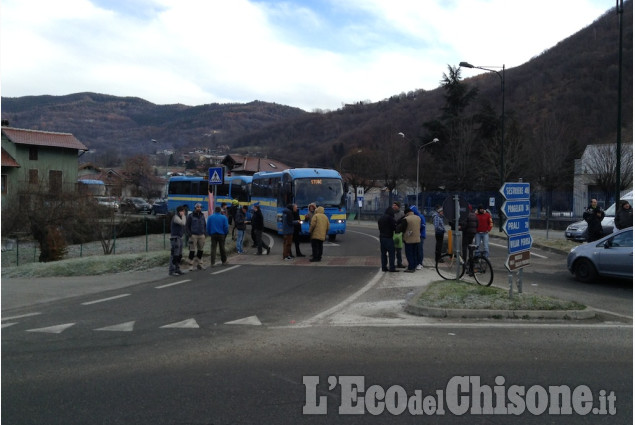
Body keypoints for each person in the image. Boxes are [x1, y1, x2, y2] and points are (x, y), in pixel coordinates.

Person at [396, 206, 421, 272]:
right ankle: (414, 266)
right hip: (417, 239)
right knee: (414, 253)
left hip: (409, 239)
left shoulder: (406, 219)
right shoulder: (418, 218)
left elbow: (402, 228)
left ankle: (411, 267)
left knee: (409, 254)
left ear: (406, 213)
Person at [185, 202, 207, 271]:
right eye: (198, 207)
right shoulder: (190, 216)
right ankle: (190, 265)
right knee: (192, 250)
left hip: (201, 235)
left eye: (200, 207)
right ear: (195, 208)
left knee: (201, 250)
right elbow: (187, 226)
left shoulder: (202, 215)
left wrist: (204, 233)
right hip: (193, 235)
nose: (199, 208)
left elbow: (204, 225)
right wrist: (190, 234)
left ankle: (199, 264)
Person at [169, 205, 187, 275]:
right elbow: (183, 223)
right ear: (180, 211)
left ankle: (177, 268)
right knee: (174, 255)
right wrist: (183, 216)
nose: (184, 212)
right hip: (175, 238)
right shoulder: (176, 217)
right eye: (183, 211)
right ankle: (172, 270)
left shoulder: (180, 217)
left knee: (179, 255)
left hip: (180, 238)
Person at [378, 207, 397, 272]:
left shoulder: (381, 218)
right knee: (391, 253)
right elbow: (394, 227)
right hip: (388, 238)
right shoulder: (390, 218)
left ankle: (384, 267)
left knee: (383, 254)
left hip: (382, 238)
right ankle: (392, 267)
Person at [410, 205, 426, 269]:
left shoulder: (420, 217)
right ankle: (416, 262)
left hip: (420, 235)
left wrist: (416, 228)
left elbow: (423, 225)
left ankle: (420, 263)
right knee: (415, 249)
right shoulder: (414, 217)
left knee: (419, 250)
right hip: (415, 235)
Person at [392, 201, 406, 268]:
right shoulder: (391, 213)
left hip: (399, 233)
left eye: (395, 205)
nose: (394, 206)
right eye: (393, 205)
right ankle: (392, 263)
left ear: (398, 206)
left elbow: (404, 223)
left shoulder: (402, 214)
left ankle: (399, 263)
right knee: (392, 249)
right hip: (392, 233)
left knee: (399, 250)